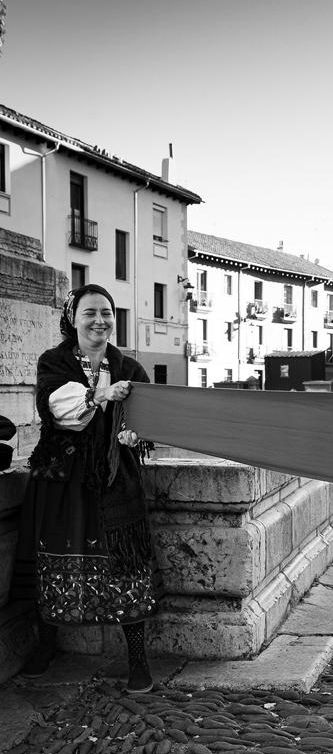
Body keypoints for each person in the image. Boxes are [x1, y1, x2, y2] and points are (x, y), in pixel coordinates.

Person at [12, 284, 158, 692]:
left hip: (114, 478)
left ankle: (137, 658)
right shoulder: (53, 362)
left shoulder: (129, 367)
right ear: (72, 318)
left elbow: (145, 422)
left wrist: (134, 434)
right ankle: (46, 646)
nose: (100, 321)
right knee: (53, 560)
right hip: (62, 478)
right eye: (90, 312)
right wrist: (101, 396)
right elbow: (60, 408)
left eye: (107, 313)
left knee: (126, 562)